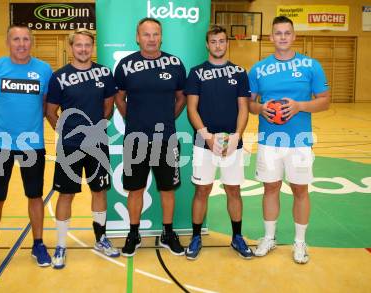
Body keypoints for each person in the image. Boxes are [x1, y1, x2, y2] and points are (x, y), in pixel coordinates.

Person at [248, 16, 330, 264]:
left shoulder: (310, 65)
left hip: (300, 141)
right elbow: (250, 104)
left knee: (300, 190)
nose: (282, 37)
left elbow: (325, 100)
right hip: (269, 141)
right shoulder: (258, 69)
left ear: (294, 37)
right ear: (271, 37)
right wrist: (261, 109)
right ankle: (269, 237)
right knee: (270, 187)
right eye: (278, 33)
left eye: (287, 33)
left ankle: (299, 242)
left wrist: (299, 106)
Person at [0, 24, 52, 278]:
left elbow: (44, 105)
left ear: (32, 42)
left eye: (26, 39)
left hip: (32, 145)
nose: (21, 44)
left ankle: (38, 245)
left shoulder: (43, 69)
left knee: (35, 196)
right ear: (8, 42)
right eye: (16, 39)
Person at [46, 29, 120, 269]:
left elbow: (108, 106)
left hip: (97, 145)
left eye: (88, 45)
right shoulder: (59, 77)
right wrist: (64, 131)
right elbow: (50, 110)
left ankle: (101, 239)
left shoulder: (104, 74)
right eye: (79, 45)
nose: (84, 49)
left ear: (92, 47)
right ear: (70, 47)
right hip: (69, 147)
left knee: (99, 192)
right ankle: (60, 245)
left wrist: (99, 128)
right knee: (66, 194)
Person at [114, 17, 186, 257]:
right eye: (146, 34)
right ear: (138, 37)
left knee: (167, 189)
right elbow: (119, 98)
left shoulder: (175, 63)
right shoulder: (125, 65)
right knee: (135, 189)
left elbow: (181, 98)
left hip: (166, 139)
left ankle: (168, 232)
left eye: (155, 34)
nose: (151, 38)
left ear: (161, 36)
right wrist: (132, 120)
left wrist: (168, 119)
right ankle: (133, 233)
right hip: (136, 139)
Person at [184, 25, 253, 260]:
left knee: (233, 189)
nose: (218, 45)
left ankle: (237, 236)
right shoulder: (196, 72)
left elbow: (244, 108)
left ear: (227, 43)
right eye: (213, 41)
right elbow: (191, 108)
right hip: (205, 142)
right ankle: (195, 237)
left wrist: (237, 135)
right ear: (207, 44)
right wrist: (206, 136)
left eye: (222, 41)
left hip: (233, 143)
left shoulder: (239, 72)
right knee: (202, 190)